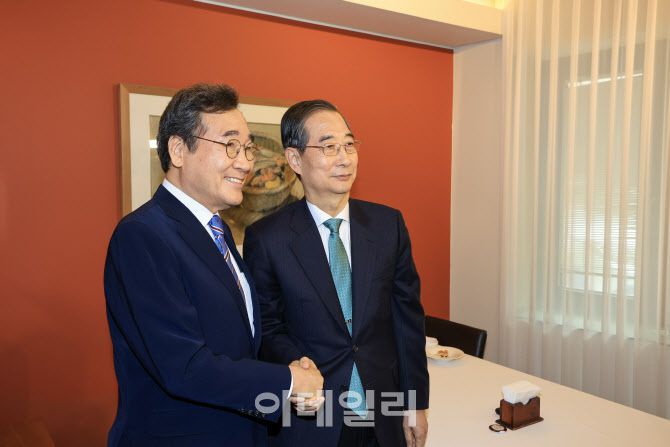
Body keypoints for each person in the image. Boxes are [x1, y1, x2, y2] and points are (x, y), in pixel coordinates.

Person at [103, 84, 323, 447]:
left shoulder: (214, 229)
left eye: (248, 148)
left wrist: (291, 368)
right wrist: (287, 381)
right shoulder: (143, 235)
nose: (246, 162)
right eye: (230, 145)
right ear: (178, 150)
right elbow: (184, 366)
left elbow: (236, 342)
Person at [244, 100, 429, 447]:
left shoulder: (388, 225)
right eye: (329, 147)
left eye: (349, 144)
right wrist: (296, 366)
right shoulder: (268, 239)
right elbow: (267, 327)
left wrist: (415, 402)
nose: (344, 158)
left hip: (383, 411)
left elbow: (407, 320)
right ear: (295, 159)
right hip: (313, 417)